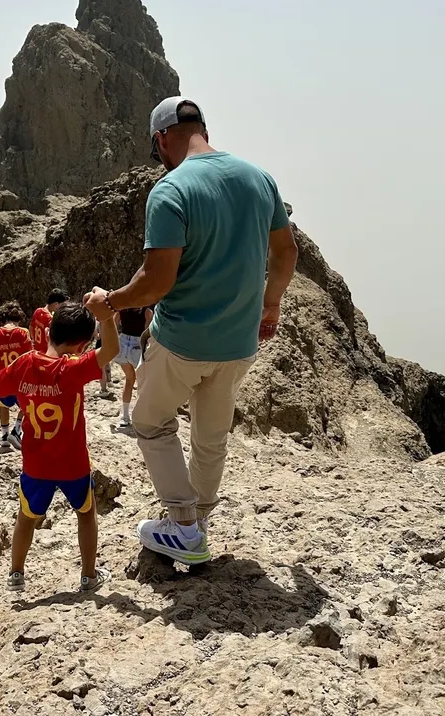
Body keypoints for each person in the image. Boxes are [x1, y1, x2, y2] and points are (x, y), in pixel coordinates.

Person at [85, 96, 298, 565]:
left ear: (162, 138)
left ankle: (182, 523)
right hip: (240, 342)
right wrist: (271, 305)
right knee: (210, 436)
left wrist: (111, 302)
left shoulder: (171, 190)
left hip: (182, 343)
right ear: (202, 127)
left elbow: (158, 280)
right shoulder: (258, 178)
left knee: (148, 421)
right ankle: (197, 522)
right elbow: (286, 253)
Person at [0, 300, 119, 593]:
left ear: (49, 330)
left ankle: (16, 574)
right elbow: (110, 352)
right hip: (73, 465)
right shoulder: (73, 368)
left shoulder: (25, 363)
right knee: (85, 514)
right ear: (81, 345)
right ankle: (89, 576)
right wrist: (105, 315)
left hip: (36, 465)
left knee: (26, 518)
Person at [0, 301, 33, 453]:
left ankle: (4, 437)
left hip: (3, 378)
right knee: (27, 405)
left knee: (3, 405)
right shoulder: (23, 332)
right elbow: (29, 355)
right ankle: (17, 430)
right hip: (20, 378)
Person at [115, 306, 154, 428]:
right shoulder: (147, 312)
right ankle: (142, 417)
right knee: (143, 382)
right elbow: (148, 332)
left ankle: (125, 416)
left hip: (123, 343)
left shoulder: (123, 310)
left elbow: (113, 324)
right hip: (137, 345)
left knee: (129, 380)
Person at [30, 289, 69, 354]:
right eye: (62, 305)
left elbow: (31, 327)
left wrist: (34, 340)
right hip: (45, 353)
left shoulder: (37, 311)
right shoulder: (50, 319)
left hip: (36, 351)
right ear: (56, 304)